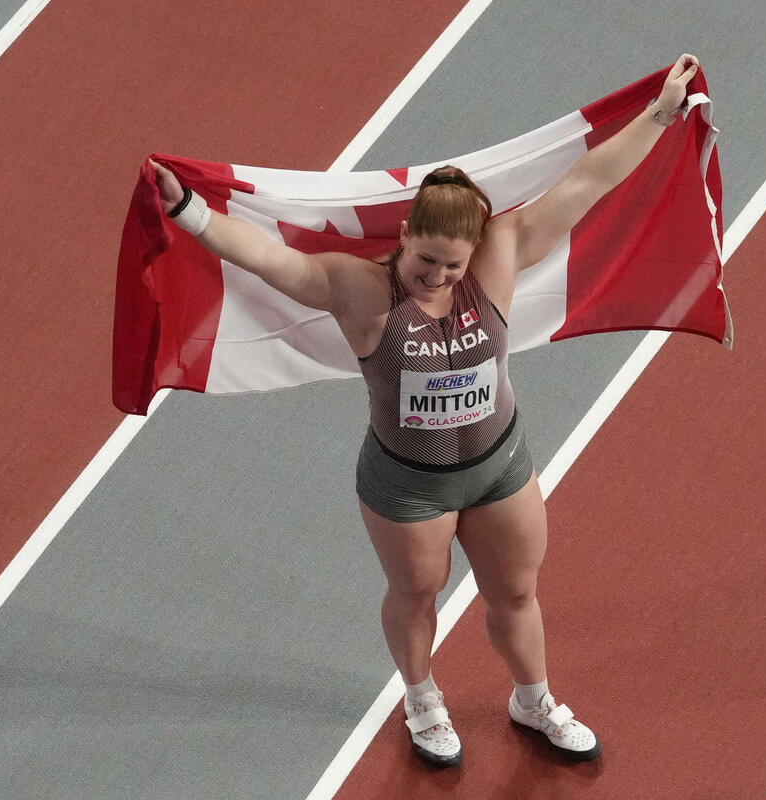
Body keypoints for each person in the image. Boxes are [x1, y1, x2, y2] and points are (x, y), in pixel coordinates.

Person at [152, 54, 701, 766]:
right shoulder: (360, 291)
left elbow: (587, 181)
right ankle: (421, 698)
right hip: (408, 485)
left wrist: (660, 114)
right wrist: (187, 211)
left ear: (475, 252)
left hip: (501, 467)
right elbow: (268, 259)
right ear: (406, 233)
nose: (437, 276)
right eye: (426, 261)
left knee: (517, 593)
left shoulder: (500, 254)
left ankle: (532, 699)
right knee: (417, 595)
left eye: (452, 265)